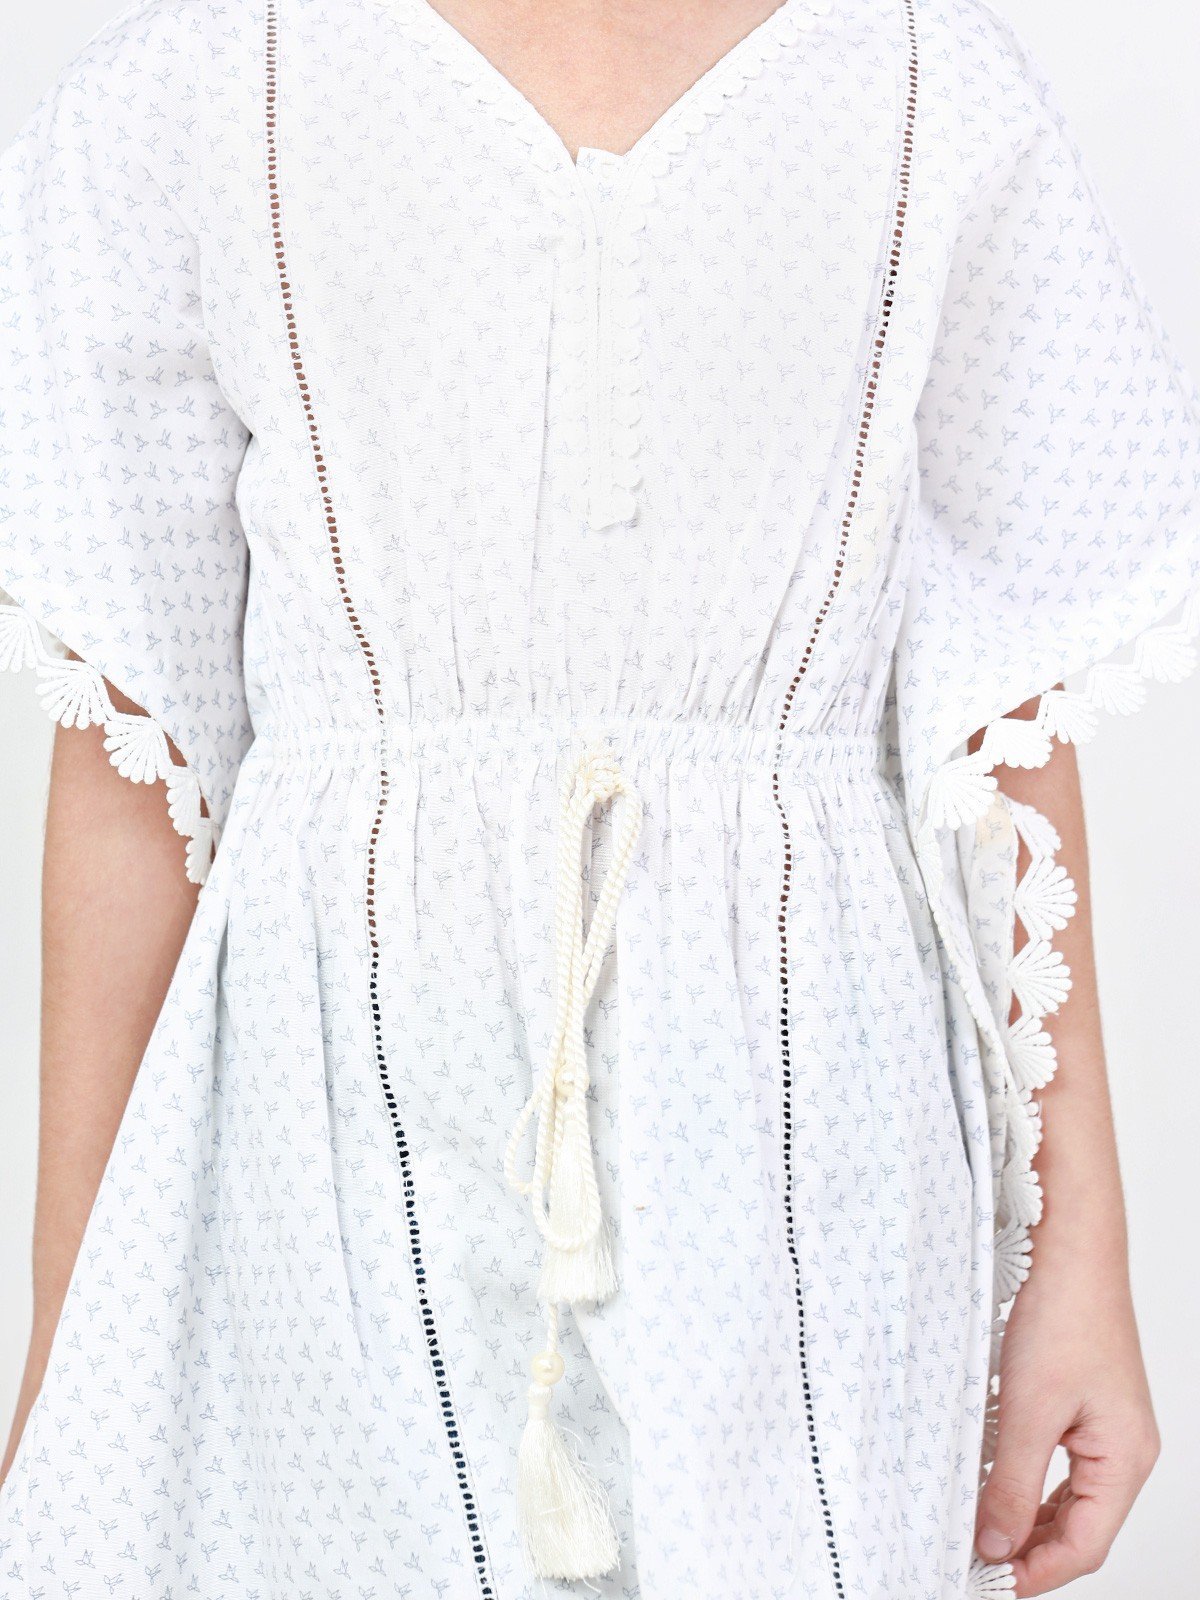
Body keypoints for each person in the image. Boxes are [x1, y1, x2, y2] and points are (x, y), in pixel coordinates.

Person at [0, 1, 1194, 1596]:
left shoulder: (927, 90)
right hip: (328, 1161)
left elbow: (1004, 717)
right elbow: (137, 760)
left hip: (817, 1162)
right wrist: (74, 1343)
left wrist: (1076, 1250)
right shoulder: (203, 91)